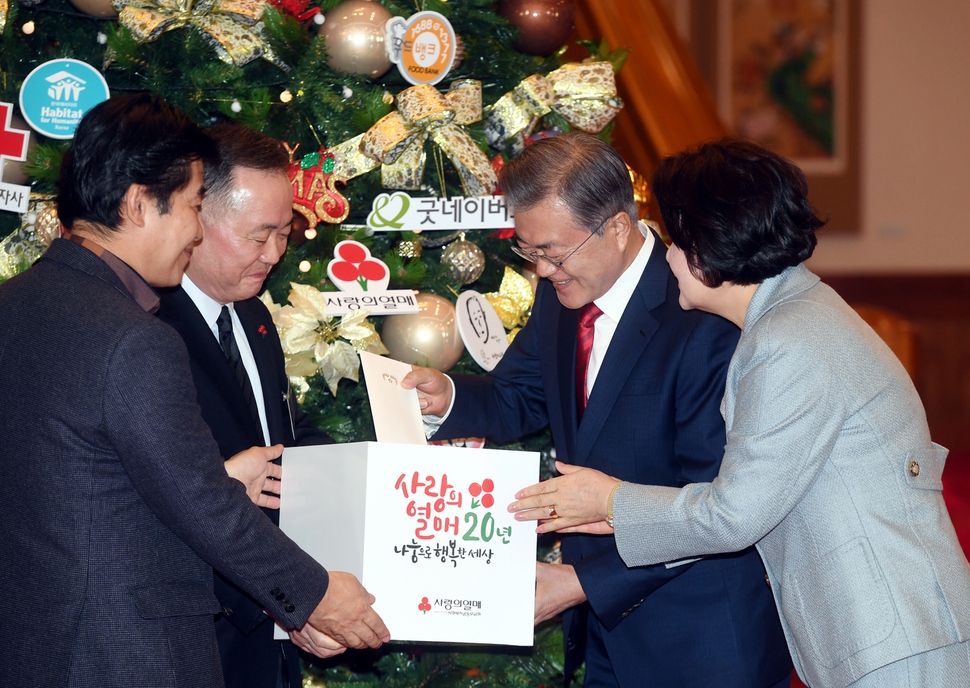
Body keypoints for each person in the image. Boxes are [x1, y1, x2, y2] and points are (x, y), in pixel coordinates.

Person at [508, 138, 970, 688]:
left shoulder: (788, 340)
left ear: (707, 251)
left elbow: (734, 515)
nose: (666, 257)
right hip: (878, 629)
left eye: (675, 242)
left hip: (892, 636)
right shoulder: (790, 318)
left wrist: (608, 500)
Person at [0, 94, 388, 688]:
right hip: (124, 654)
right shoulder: (134, 338)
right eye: (191, 206)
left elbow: (84, 480)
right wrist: (316, 594)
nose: (194, 228)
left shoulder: (15, 304)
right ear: (137, 205)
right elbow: (200, 502)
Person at [402, 132, 792, 687]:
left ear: (615, 226)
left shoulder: (701, 311)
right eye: (528, 251)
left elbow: (713, 502)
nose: (541, 270)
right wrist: (449, 398)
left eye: (552, 253)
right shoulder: (562, 294)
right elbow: (521, 395)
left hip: (701, 636)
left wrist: (581, 582)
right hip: (607, 638)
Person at [157, 123, 338, 688]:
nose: (276, 254)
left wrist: (366, 469)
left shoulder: (254, 317)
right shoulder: (150, 328)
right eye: (258, 236)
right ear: (196, 220)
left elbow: (278, 433)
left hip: (272, 631)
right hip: (199, 638)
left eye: (285, 233)